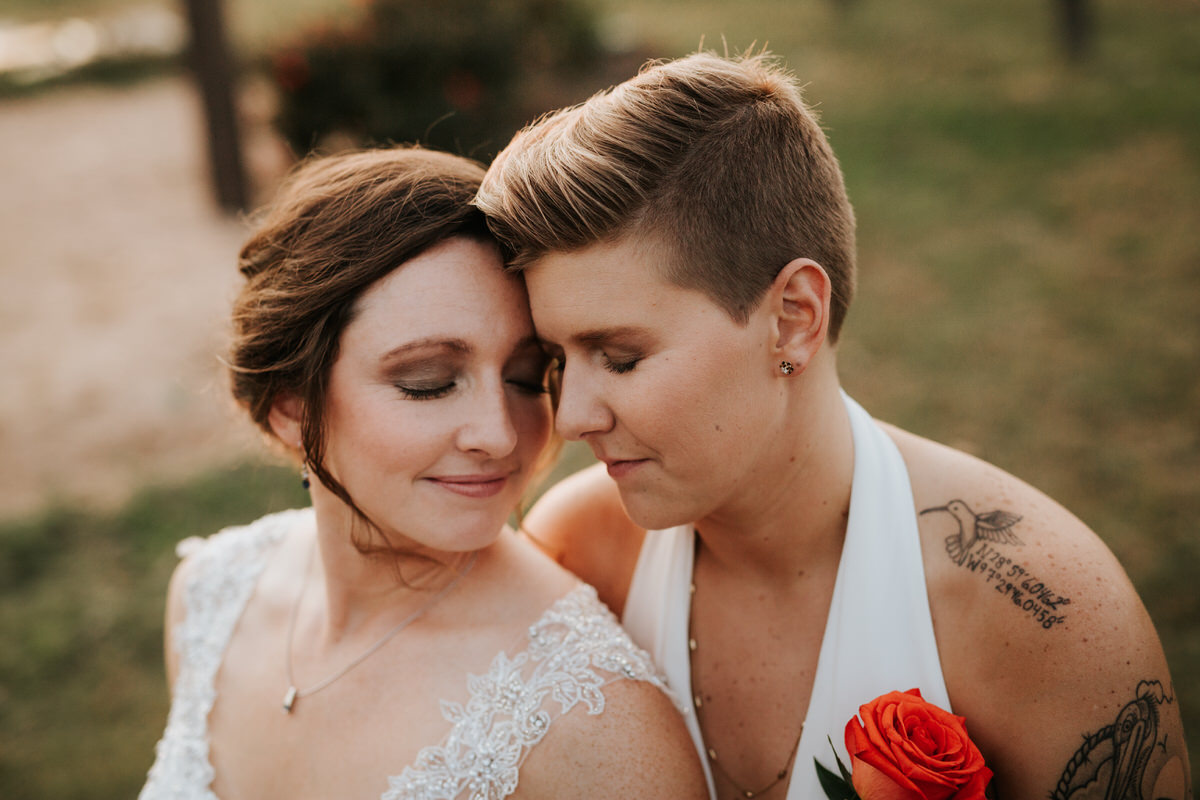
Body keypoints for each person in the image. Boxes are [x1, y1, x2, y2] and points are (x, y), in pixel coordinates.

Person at [475, 52, 1193, 800]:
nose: (572, 416)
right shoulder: (580, 553)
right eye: (556, 358)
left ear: (792, 320)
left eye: (620, 357)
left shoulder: (1042, 612)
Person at [138, 146, 707, 800]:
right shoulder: (211, 599)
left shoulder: (593, 724)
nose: (497, 434)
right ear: (292, 407)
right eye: (428, 383)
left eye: (526, 378)